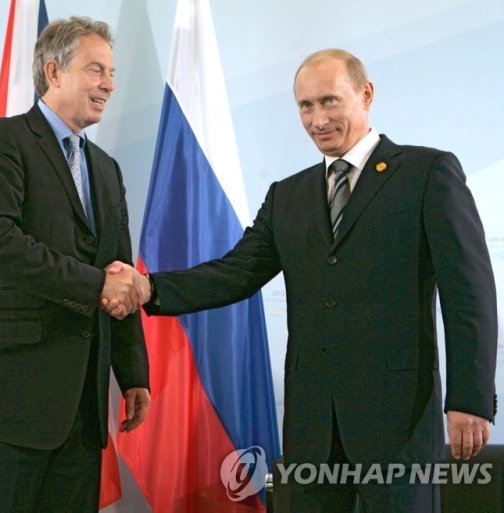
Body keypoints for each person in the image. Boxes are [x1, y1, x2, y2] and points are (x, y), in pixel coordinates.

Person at [106, 48, 497, 512]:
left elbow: (469, 293)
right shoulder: (288, 195)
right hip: (312, 427)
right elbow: (236, 273)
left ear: (366, 94)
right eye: (305, 106)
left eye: (329, 101)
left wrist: (470, 399)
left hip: (398, 427)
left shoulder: (427, 173)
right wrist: (150, 288)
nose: (317, 119)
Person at [0, 16, 150, 513]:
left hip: (81, 408)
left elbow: (119, 273)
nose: (108, 84)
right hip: (7, 404)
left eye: (111, 72)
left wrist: (133, 373)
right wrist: (94, 284)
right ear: (53, 72)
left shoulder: (105, 170)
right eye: (95, 70)